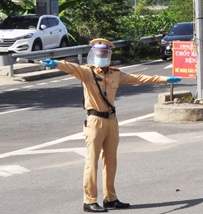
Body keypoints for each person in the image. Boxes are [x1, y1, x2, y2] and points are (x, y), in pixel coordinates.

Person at [41, 38, 182, 213]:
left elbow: (139, 78)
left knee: (111, 161)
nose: (101, 56)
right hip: (95, 121)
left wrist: (165, 79)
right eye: (98, 53)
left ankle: (110, 198)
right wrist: (56, 63)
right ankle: (89, 201)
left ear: (108, 55)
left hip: (112, 120)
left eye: (104, 53)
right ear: (93, 54)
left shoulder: (116, 74)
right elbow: (72, 68)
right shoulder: (87, 73)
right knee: (91, 161)